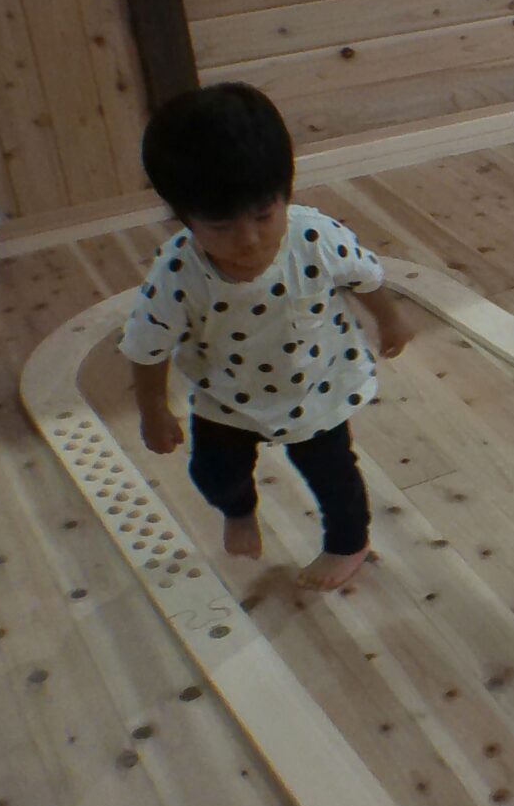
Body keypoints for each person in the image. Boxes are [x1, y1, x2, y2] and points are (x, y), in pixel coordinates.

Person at [124, 83, 412, 592]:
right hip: (225, 400)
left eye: (263, 215)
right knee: (214, 474)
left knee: (335, 478)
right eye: (221, 226)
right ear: (184, 218)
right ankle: (238, 508)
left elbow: (363, 276)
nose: (250, 238)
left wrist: (388, 319)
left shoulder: (313, 237)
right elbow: (147, 345)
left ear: (286, 192)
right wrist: (152, 410)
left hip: (314, 388)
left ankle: (349, 543)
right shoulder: (178, 271)